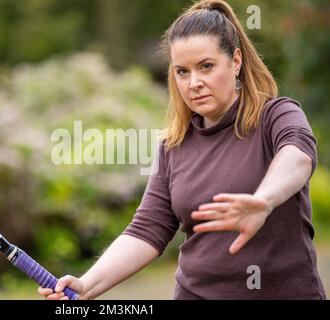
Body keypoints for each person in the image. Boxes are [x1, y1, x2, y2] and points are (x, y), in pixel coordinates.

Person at [38, 0, 326, 299]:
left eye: (206, 66)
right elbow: (148, 229)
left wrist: (264, 200)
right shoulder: (173, 144)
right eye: (182, 72)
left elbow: (298, 157)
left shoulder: (276, 116)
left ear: (236, 61)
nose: (194, 83)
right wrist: (87, 284)